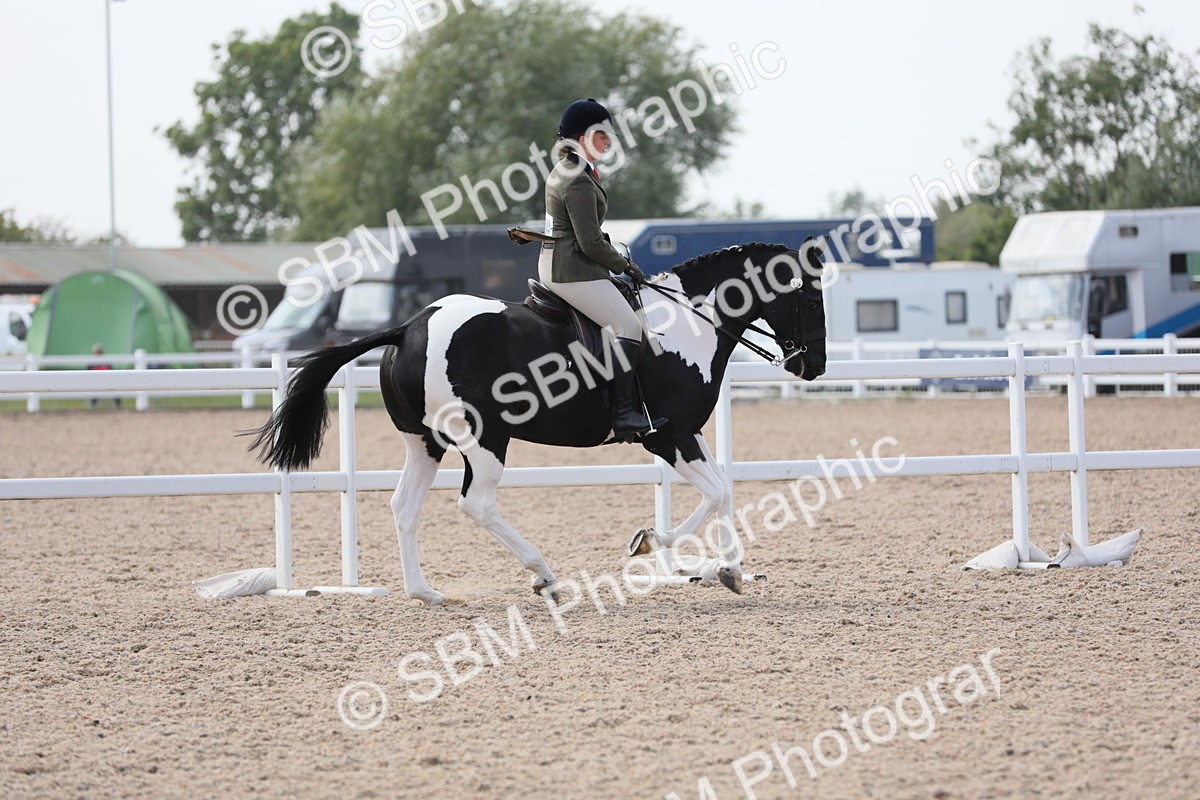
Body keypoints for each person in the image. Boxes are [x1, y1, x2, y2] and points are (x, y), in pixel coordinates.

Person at [540, 98, 664, 438]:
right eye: (602, 135)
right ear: (582, 139)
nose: (608, 142)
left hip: (572, 262)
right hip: (570, 269)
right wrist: (625, 265)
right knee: (628, 326)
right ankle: (623, 413)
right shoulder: (576, 179)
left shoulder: (576, 171)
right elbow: (590, 243)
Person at [87, 343, 121, 409]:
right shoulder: (90, 364)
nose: (98, 354)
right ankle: (93, 407)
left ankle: (118, 407)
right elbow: (87, 375)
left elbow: (112, 373)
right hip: (94, 384)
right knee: (93, 391)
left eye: (99, 352)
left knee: (116, 390)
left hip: (107, 383)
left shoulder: (107, 363)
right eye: (96, 352)